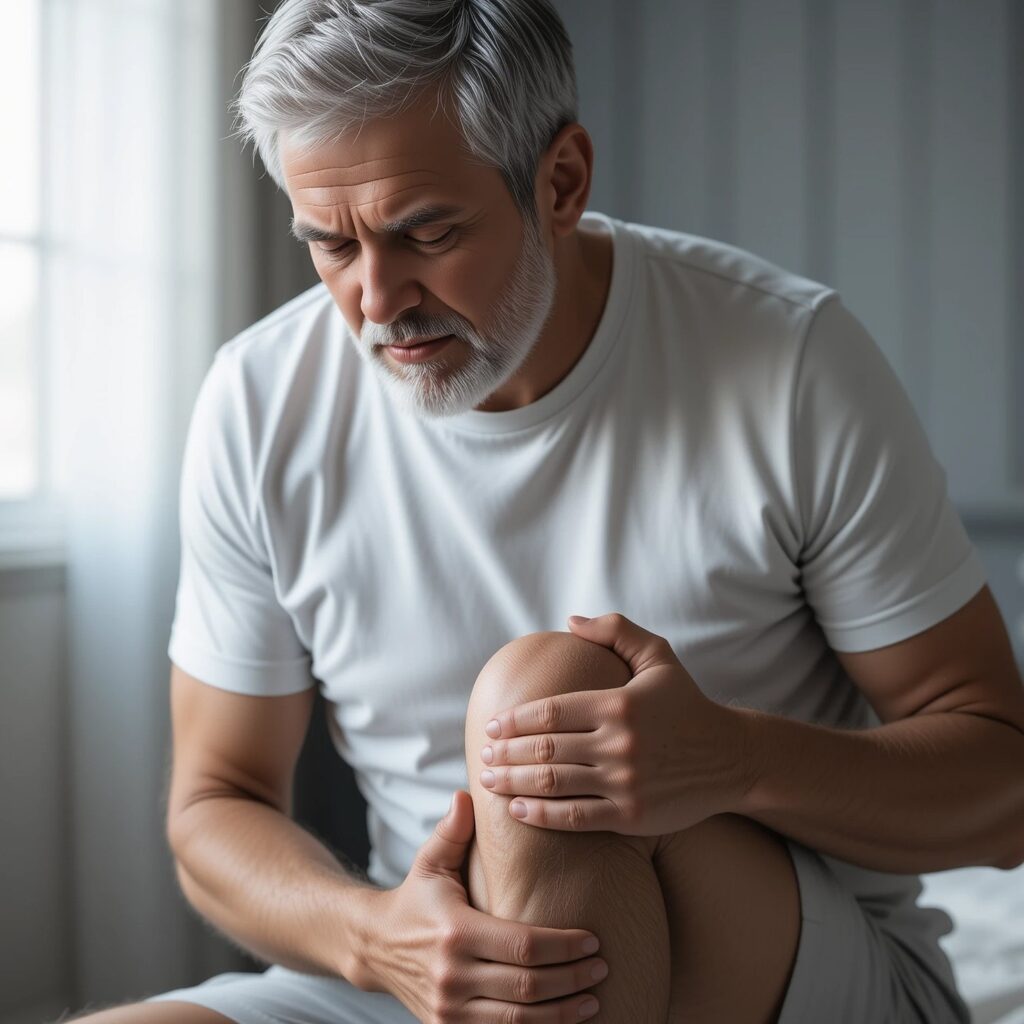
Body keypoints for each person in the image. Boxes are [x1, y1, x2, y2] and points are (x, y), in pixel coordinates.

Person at [62, 1, 1024, 1022]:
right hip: (439, 977)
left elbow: (1003, 786)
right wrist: (375, 936)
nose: (377, 302)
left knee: (546, 696)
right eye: (331, 246)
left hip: (811, 971)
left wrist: (730, 761)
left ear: (559, 182)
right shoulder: (258, 401)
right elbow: (215, 806)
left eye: (424, 232)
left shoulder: (787, 362)